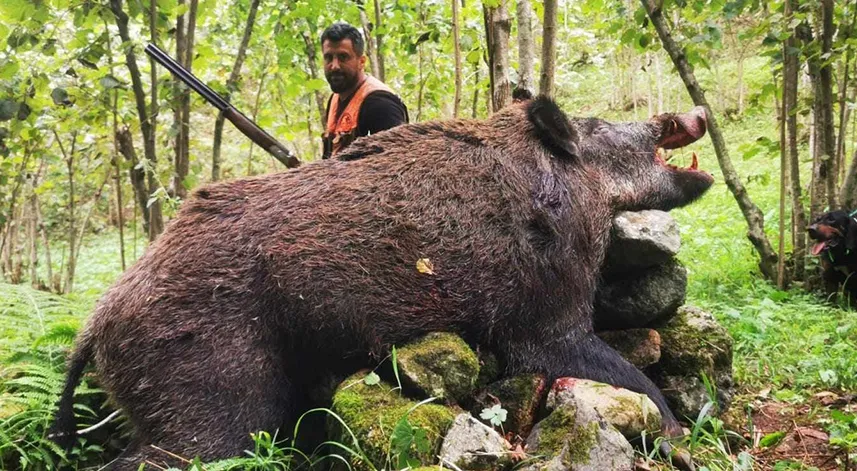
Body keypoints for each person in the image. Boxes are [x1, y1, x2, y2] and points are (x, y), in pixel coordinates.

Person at [320, 22, 408, 159]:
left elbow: (398, 164)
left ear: (361, 61)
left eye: (343, 57)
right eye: (328, 58)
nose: (334, 66)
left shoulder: (381, 105)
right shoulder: (334, 99)